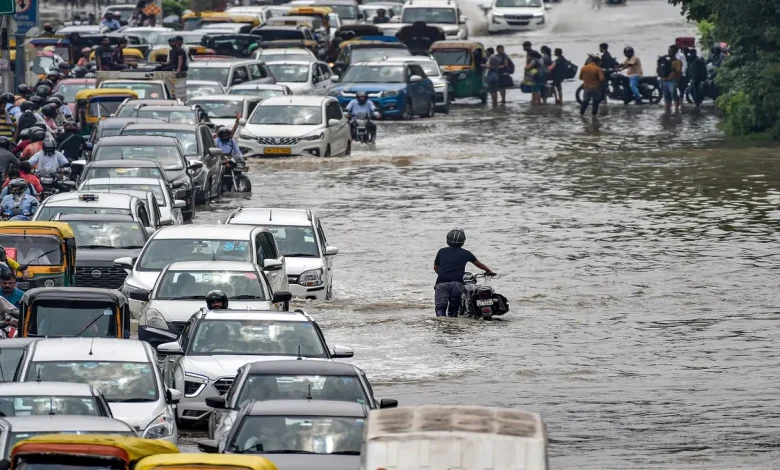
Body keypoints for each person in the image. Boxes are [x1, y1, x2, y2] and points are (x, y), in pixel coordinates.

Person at [433, 229, 495, 317]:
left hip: (441, 283)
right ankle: (453, 327)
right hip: (457, 284)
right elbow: (479, 264)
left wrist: (444, 275)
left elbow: (435, 268)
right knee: (453, 310)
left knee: (440, 309)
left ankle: (442, 325)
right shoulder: (466, 253)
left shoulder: (441, 251)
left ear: (447, 240)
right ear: (463, 242)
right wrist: (489, 271)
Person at [658, 44, 682, 113]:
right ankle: (676, 110)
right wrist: (678, 81)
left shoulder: (663, 59)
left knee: (667, 97)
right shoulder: (677, 62)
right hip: (670, 80)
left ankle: (668, 110)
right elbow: (678, 72)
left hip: (664, 80)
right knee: (673, 96)